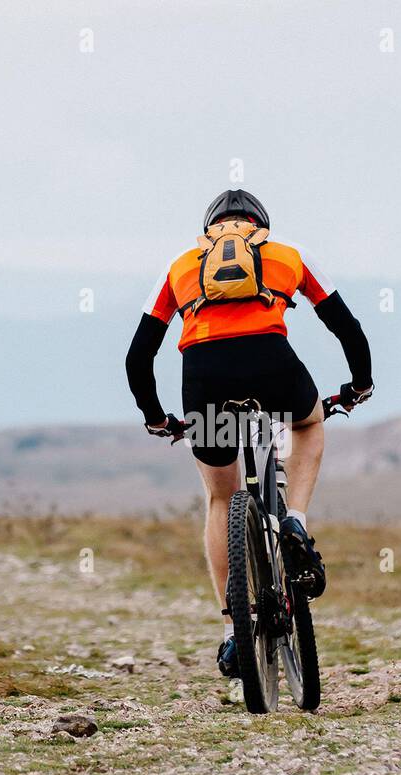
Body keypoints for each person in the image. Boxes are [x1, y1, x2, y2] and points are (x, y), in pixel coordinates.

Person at [125, 188, 373, 677]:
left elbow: (139, 356)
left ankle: (233, 632)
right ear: (261, 225)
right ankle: (296, 519)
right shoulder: (289, 256)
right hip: (272, 368)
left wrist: (156, 416)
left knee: (221, 499)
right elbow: (349, 328)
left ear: (209, 228)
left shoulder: (180, 265)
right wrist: (358, 385)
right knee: (306, 422)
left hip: (205, 379)